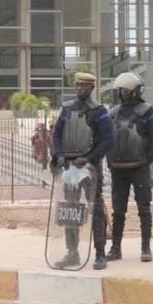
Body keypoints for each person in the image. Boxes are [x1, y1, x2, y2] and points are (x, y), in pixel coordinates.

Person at [50, 71, 113, 270]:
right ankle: (72, 252)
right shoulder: (67, 109)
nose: (79, 89)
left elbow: (108, 140)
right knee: (70, 210)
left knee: (95, 211)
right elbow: (57, 135)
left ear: (92, 88)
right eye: (77, 86)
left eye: (84, 86)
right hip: (69, 170)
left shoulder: (99, 111)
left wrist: (89, 158)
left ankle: (100, 253)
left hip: (90, 169)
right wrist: (59, 155)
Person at [105, 72, 153, 264]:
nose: (125, 92)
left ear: (137, 90)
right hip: (118, 169)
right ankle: (115, 248)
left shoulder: (147, 112)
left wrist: (148, 160)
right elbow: (106, 138)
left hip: (139, 168)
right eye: (122, 89)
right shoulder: (112, 113)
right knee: (118, 210)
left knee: (144, 208)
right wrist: (109, 159)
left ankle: (146, 247)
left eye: (128, 89)